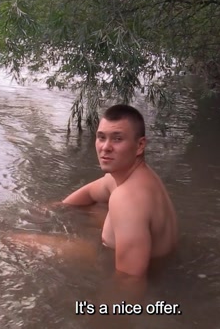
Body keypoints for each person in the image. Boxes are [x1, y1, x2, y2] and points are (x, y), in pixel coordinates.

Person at [61, 104, 179, 277]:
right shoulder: (130, 177)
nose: (105, 147)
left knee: (17, 242)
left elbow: (129, 281)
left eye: (117, 139)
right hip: (124, 252)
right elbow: (89, 192)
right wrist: (56, 208)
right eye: (101, 137)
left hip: (142, 273)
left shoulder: (128, 198)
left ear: (140, 145)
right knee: (93, 211)